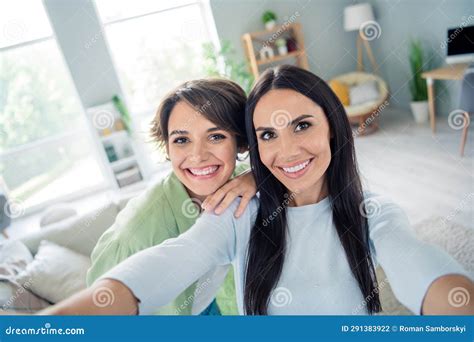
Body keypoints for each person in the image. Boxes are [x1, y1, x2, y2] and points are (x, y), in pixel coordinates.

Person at [40, 65, 473, 316]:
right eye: (268, 134)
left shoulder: (374, 214)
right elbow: (152, 272)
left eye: (301, 125)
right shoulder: (236, 213)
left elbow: (425, 273)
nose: (285, 149)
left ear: (333, 127)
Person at [85, 78, 256, 315]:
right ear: (167, 147)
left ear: (240, 143)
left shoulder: (243, 184)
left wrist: (258, 177)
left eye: (215, 136)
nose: (197, 156)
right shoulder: (136, 236)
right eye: (181, 140)